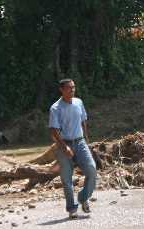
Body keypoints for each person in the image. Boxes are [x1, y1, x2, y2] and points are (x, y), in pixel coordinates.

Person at [48, 79, 96, 219]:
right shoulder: (55, 108)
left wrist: (86, 140)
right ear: (61, 90)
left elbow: (83, 121)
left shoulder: (79, 102)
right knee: (66, 179)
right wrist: (65, 147)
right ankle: (72, 208)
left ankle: (83, 197)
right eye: (69, 88)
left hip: (80, 142)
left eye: (73, 87)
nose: (72, 90)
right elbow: (53, 130)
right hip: (64, 144)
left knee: (92, 169)